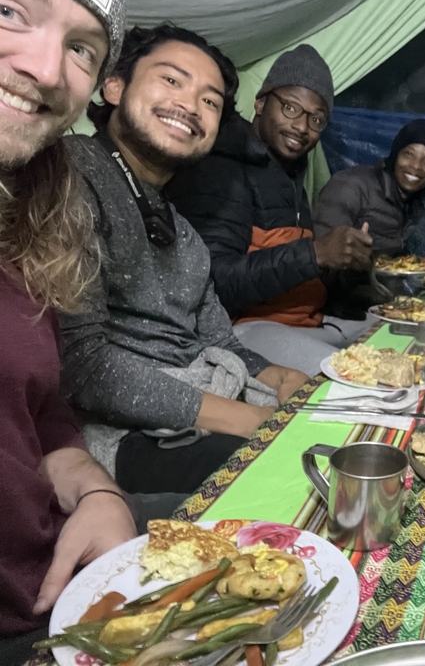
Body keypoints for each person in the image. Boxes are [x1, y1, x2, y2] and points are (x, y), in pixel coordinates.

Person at [59, 24, 309, 498]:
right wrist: (249, 420)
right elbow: (81, 367)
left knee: (331, 427)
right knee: (291, 475)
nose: (192, 106)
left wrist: (277, 376)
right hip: (123, 433)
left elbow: (220, 342)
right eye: (172, 80)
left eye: (210, 101)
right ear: (113, 85)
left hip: (204, 397)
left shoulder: (185, 233)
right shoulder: (71, 176)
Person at [0, 0, 137, 661]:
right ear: (122, 94)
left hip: (57, 570)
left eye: (81, 47)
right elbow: (99, 365)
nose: (47, 69)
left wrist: (98, 494)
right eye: (8, 10)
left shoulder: (33, 212)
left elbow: (43, 409)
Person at [167, 45, 377, 375]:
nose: (301, 127)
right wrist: (315, 253)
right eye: (291, 108)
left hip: (307, 321)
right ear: (261, 103)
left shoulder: (289, 171)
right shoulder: (221, 170)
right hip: (242, 332)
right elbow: (212, 284)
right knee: (357, 375)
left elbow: (291, 265)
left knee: (397, 336)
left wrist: (351, 265)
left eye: (316, 119)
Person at [312, 118, 425, 257]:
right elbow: (320, 254)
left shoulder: (416, 205)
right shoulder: (352, 185)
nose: (416, 166)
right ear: (395, 155)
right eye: (408, 154)